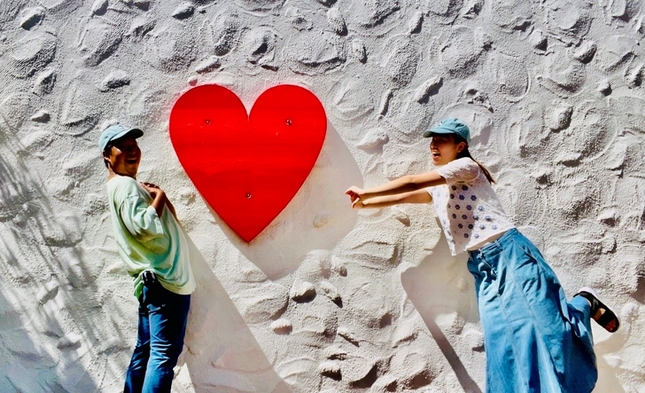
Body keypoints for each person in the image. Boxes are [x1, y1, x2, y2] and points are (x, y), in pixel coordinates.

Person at [345, 118, 620, 393]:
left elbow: (411, 181)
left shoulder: (468, 168)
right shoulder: (438, 188)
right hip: (483, 267)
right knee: (504, 344)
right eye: (432, 140)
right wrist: (366, 202)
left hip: (510, 254)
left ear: (460, 145)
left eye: (441, 140)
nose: (433, 145)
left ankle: (583, 303)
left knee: (549, 332)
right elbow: (406, 196)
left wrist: (366, 190)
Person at [100, 123, 196, 392]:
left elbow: (166, 223)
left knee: (146, 351)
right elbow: (144, 228)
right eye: (124, 147)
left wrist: (158, 199)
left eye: (135, 146)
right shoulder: (126, 186)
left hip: (153, 283)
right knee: (163, 357)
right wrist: (160, 196)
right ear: (107, 156)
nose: (133, 151)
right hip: (165, 282)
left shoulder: (120, 187)